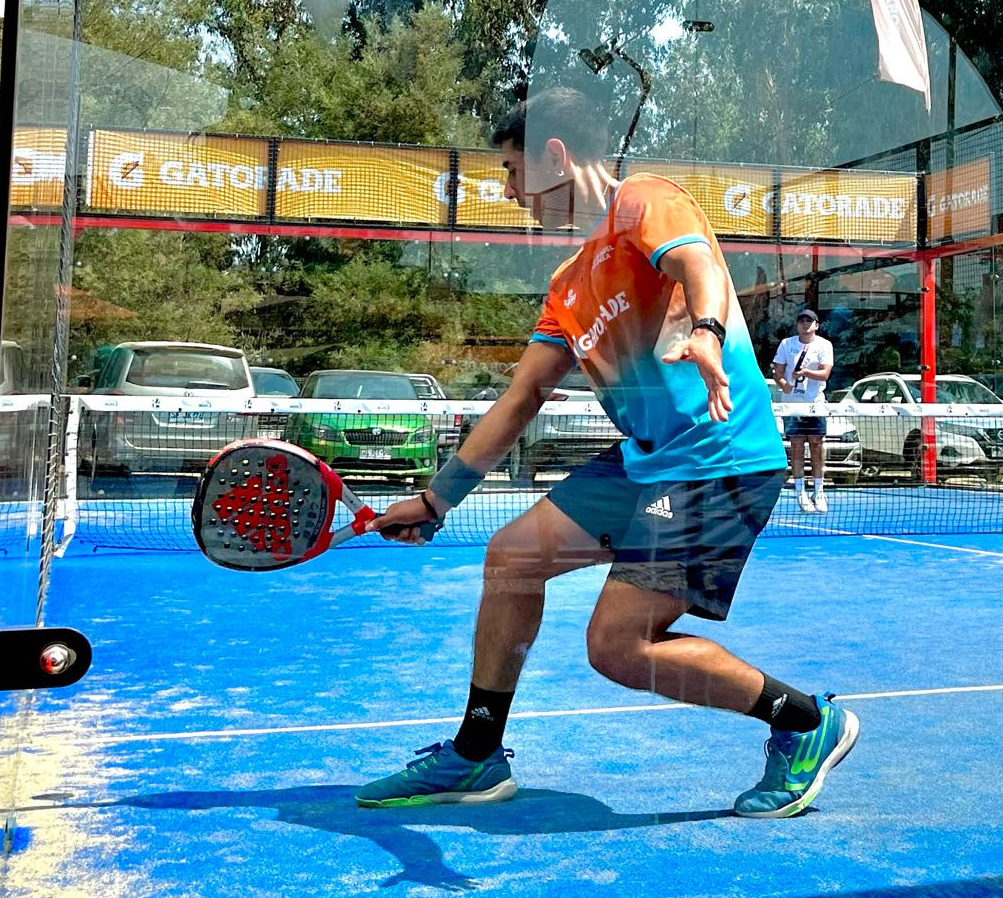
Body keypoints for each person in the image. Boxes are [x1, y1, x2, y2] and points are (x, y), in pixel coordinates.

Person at [355, 86, 860, 819]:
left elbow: (699, 267)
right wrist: (436, 501)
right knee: (512, 558)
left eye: (512, 170)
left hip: (718, 457)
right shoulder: (567, 286)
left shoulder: (643, 202)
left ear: (555, 157)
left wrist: (708, 334)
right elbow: (520, 399)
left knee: (618, 647)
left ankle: (806, 722)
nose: (509, 192)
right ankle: (476, 753)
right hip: (647, 460)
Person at [771, 306, 834, 512]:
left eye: (809, 321)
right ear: (797, 325)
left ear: (816, 325)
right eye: (802, 321)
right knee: (797, 445)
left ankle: (819, 491)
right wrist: (784, 385)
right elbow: (777, 372)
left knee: (817, 444)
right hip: (792, 406)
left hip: (815, 404)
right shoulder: (786, 344)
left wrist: (806, 372)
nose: (805, 324)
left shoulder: (824, 345)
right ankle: (800, 492)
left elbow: (825, 373)